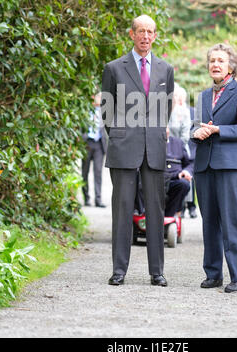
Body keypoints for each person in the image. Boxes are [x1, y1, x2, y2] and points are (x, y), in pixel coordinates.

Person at [101, 14, 174, 287]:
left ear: (155, 36)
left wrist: (153, 133)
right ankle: (119, 270)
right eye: (140, 31)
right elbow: (107, 112)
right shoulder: (114, 68)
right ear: (131, 34)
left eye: (150, 31)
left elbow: (164, 109)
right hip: (123, 148)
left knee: (155, 210)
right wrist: (121, 136)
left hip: (154, 148)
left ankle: (157, 272)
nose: (145, 36)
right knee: (121, 210)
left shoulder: (166, 70)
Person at [191, 43, 237, 293]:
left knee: (233, 223)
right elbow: (194, 128)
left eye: (220, 60)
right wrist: (197, 132)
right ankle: (213, 274)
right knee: (210, 223)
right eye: (212, 61)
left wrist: (218, 129)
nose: (215, 64)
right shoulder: (203, 96)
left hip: (231, 167)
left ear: (231, 66)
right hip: (204, 167)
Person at [81, 93, 107, 208]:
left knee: (98, 173)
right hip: (87, 143)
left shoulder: (104, 111)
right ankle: (86, 198)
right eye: (98, 96)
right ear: (93, 97)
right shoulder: (85, 110)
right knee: (85, 172)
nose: (100, 98)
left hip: (99, 145)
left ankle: (98, 199)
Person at [164, 127, 192, 217]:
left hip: (174, 180)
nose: (165, 130)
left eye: (166, 127)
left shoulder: (178, 143)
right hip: (157, 179)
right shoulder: (149, 143)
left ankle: (169, 216)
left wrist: (186, 171)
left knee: (184, 184)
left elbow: (189, 163)